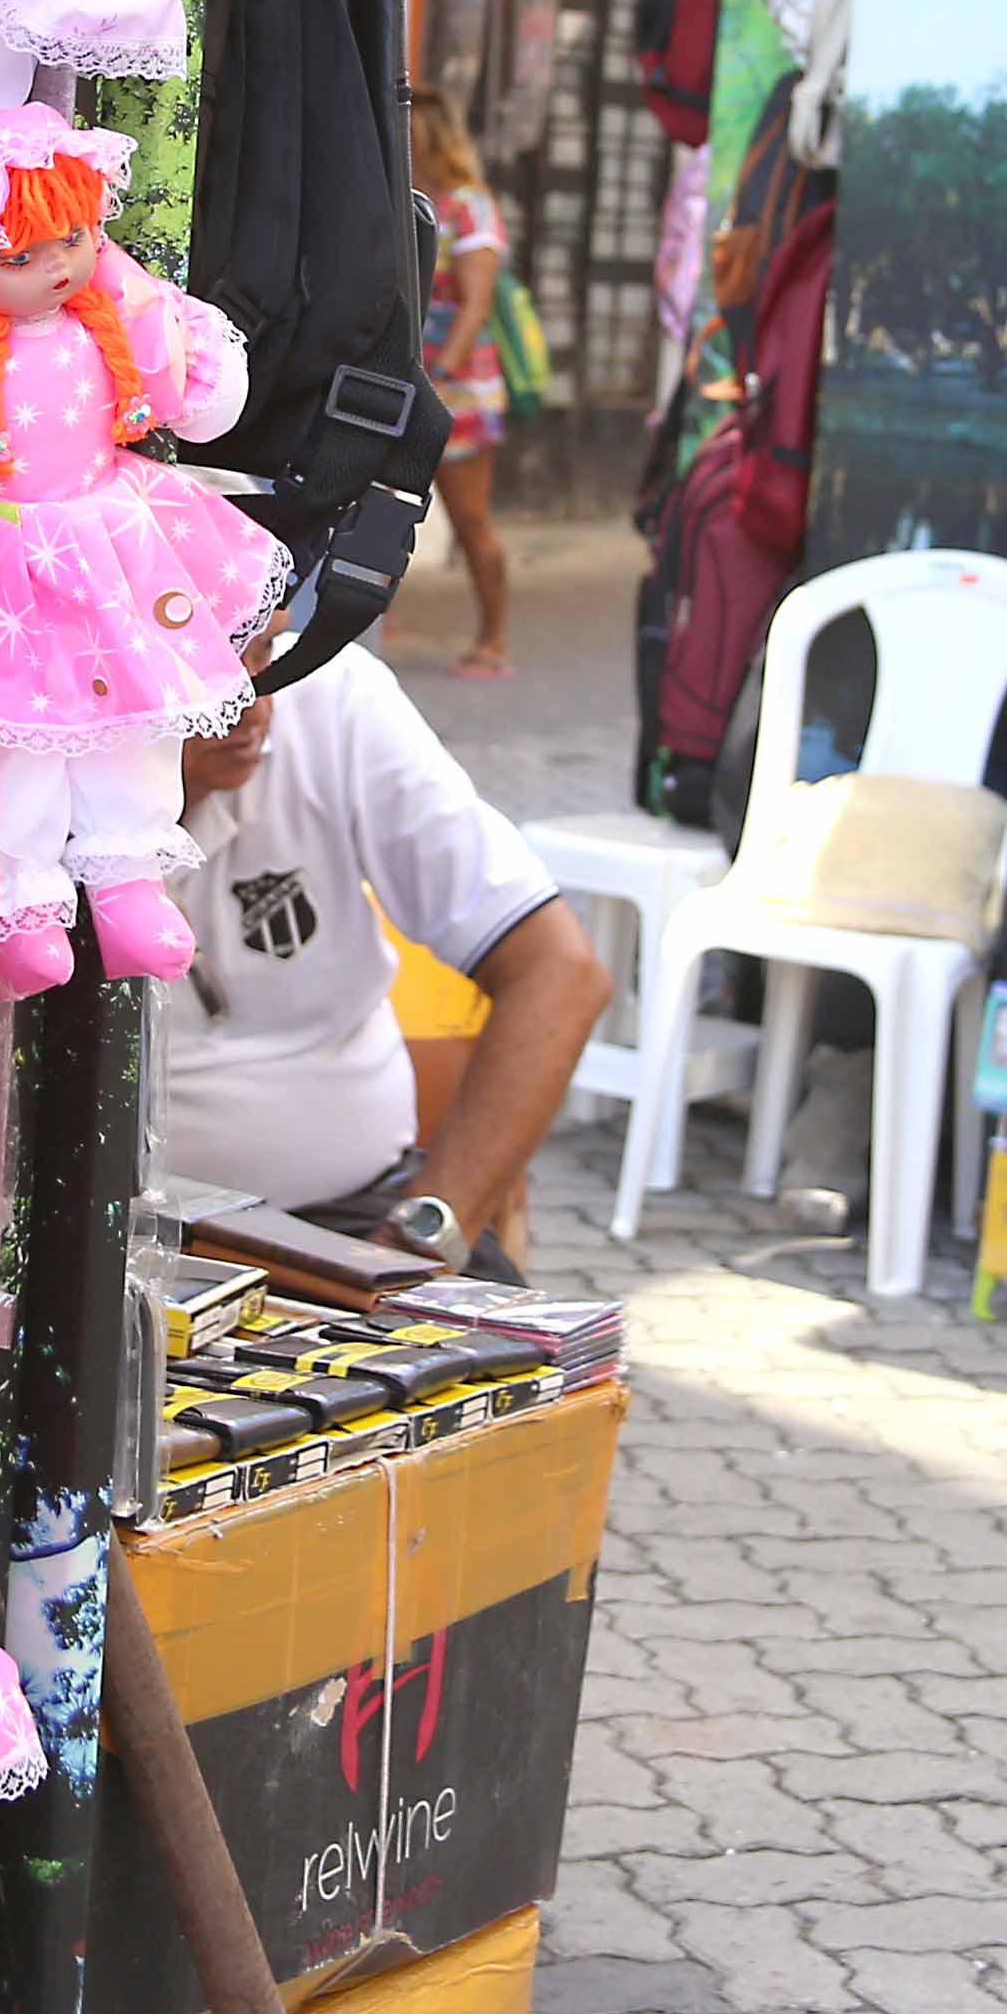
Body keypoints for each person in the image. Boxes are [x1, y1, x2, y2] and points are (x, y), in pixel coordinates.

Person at [151, 641, 610, 1275]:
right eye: (211, 663)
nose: (257, 703)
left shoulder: (332, 692)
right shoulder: (25, 747)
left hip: (353, 1218)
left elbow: (559, 973)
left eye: (265, 650)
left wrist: (430, 1234)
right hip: (107, 1239)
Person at [410, 93, 516, 678]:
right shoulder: (411, 199)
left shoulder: (469, 207)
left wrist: (440, 369)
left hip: (457, 385)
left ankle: (494, 639)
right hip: (408, 376)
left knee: (471, 518)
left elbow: (476, 303)